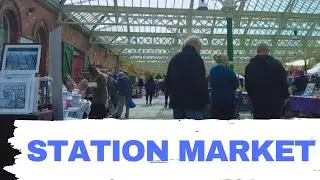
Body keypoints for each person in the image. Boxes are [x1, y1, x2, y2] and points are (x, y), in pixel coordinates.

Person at [166, 35, 209, 120]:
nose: (200, 49)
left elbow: (168, 80)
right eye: (200, 46)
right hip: (194, 103)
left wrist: (172, 96)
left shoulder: (175, 58)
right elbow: (201, 82)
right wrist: (206, 101)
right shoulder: (197, 59)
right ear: (195, 44)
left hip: (177, 103)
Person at [245, 43, 289, 119]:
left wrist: (253, 97)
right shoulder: (276, 64)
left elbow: (247, 85)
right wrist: (285, 96)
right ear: (267, 51)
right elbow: (283, 82)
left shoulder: (250, 66)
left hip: (258, 102)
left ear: (257, 51)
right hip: (275, 102)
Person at [209, 55, 239, 120]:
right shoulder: (230, 71)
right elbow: (236, 84)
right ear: (225, 61)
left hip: (215, 101)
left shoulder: (212, 71)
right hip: (228, 102)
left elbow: (210, 84)